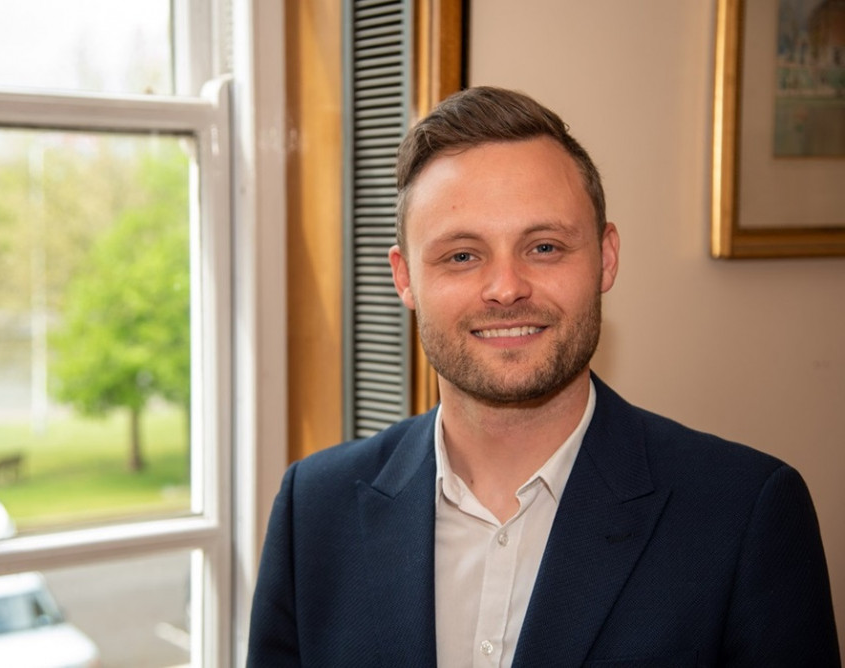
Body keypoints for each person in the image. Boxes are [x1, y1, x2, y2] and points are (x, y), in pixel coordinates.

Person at [247, 86, 840, 667]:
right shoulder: (313, 511)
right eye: (461, 255)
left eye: (546, 247)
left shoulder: (745, 514)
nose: (506, 288)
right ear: (404, 278)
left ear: (606, 258)